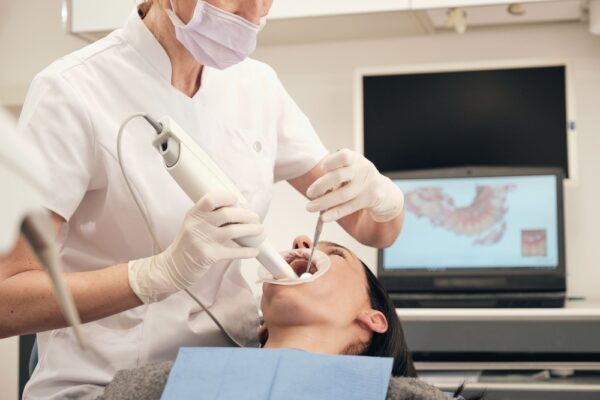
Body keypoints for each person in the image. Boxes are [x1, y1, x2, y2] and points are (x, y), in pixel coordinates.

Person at [0, 1, 406, 398]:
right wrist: (153, 275)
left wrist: (386, 200)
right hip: (104, 381)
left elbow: (371, 227)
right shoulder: (73, 90)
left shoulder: (256, 86)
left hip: (233, 374)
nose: (254, 16)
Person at [97, 237, 481, 400]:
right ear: (262, 326)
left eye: (337, 252)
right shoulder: (151, 388)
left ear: (373, 319)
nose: (300, 242)